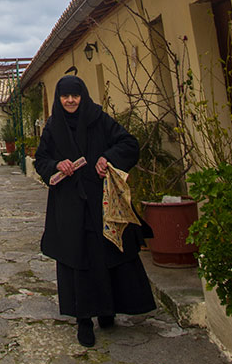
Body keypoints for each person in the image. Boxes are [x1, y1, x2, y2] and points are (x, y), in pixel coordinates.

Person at [34, 73, 155, 347]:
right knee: (78, 261)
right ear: (59, 98)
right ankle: (84, 321)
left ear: (83, 96)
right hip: (70, 207)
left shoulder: (99, 119)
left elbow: (129, 144)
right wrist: (56, 165)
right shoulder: (53, 127)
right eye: (65, 96)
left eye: (75, 95)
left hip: (102, 203)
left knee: (106, 255)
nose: (70, 100)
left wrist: (107, 158)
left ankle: (107, 310)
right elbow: (42, 159)